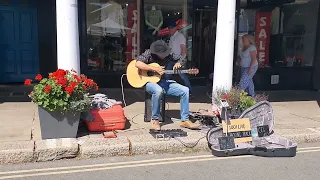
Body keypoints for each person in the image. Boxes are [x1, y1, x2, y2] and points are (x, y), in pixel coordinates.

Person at [135, 40, 200, 130]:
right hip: (148, 82)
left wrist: (179, 63)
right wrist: (154, 68)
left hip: (162, 81)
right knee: (158, 90)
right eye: (161, 54)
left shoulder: (170, 55)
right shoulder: (149, 53)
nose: (163, 56)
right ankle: (155, 120)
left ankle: (185, 120)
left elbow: (182, 58)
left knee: (185, 90)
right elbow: (137, 63)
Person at [166, 21, 193, 95]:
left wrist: (180, 62)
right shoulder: (171, 37)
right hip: (172, 59)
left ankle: (190, 92)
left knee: (183, 76)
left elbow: (183, 50)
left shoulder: (180, 36)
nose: (170, 29)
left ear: (175, 28)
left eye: (171, 28)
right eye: (169, 28)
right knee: (167, 74)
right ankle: (167, 90)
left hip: (178, 59)